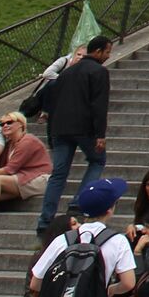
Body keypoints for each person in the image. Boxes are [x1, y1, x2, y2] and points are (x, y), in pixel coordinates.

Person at [40, 34, 113, 232]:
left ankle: (45, 220)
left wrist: (51, 133)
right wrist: (100, 134)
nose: (107, 56)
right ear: (97, 51)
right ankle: (78, 202)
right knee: (97, 160)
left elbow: (53, 101)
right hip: (84, 127)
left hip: (60, 127)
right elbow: (99, 105)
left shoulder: (67, 73)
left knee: (58, 174)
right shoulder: (99, 72)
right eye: (107, 52)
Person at [27, 177, 137, 297]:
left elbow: (35, 283)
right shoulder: (118, 241)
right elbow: (129, 283)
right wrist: (108, 290)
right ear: (110, 210)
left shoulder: (63, 239)